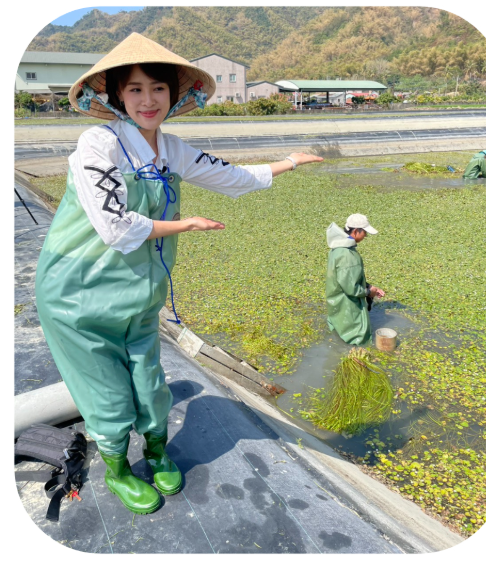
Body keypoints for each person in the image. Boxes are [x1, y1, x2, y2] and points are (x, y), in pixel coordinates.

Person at [35, 33, 323, 514]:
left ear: (174, 95)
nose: (148, 100)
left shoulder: (170, 148)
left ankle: (156, 450)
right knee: (106, 397)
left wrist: (289, 162)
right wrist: (185, 223)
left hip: (138, 295)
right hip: (77, 297)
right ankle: (120, 470)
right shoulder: (96, 144)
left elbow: (231, 174)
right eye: (135, 90)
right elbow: (115, 226)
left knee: (150, 384)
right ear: (115, 97)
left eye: (158, 89)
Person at [325, 214, 386, 345]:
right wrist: (368, 292)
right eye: (364, 232)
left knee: (339, 331)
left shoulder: (337, 248)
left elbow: (348, 278)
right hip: (347, 305)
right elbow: (351, 288)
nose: (365, 236)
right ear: (356, 231)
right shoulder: (347, 255)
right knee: (358, 339)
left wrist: (369, 287)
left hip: (336, 304)